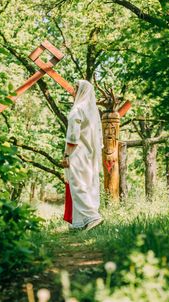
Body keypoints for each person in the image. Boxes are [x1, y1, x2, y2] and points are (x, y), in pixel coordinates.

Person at [62, 80, 103, 231]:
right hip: (90, 154)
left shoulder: (77, 109)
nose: (73, 91)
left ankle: (92, 217)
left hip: (78, 153)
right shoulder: (92, 112)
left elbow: (73, 136)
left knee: (78, 185)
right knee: (87, 185)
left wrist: (66, 155)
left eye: (75, 89)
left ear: (81, 91)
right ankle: (79, 222)